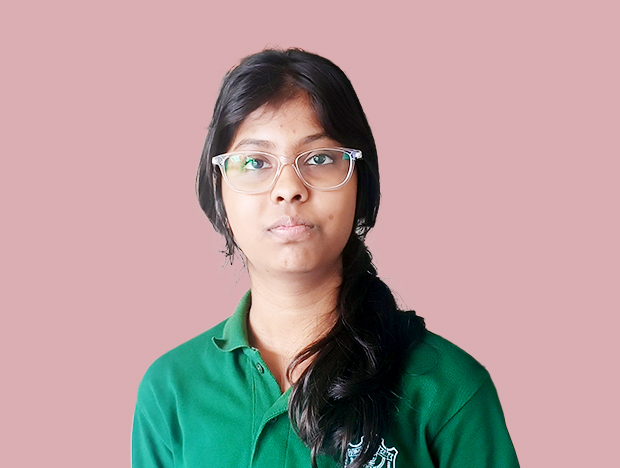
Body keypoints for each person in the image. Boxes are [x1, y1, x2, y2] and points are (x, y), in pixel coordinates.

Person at [132, 48, 519, 468]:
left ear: (360, 181)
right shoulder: (171, 389)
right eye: (255, 162)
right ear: (219, 190)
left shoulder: (449, 389)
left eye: (319, 158)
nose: (288, 189)